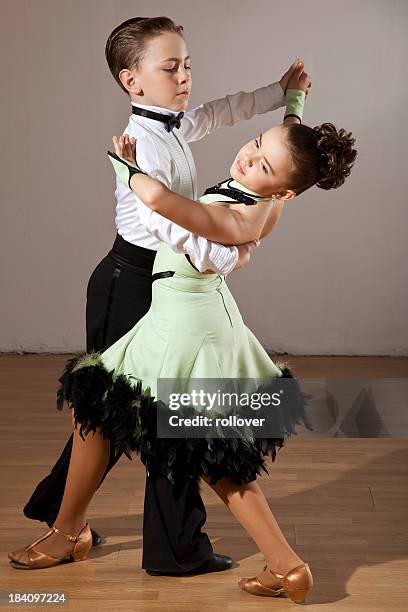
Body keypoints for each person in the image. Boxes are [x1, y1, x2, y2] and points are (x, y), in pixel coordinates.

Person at [8, 67, 357, 603]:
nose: (248, 155)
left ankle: (286, 562)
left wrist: (130, 172)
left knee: (209, 455)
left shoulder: (239, 217)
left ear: (284, 190)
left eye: (263, 163)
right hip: (178, 318)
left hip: (189, 333)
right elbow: (291, 146)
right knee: (98, 413)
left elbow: (170, 211)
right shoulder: (274, 185)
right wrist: (292, 104)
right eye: (256, 143)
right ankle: (66, 529)